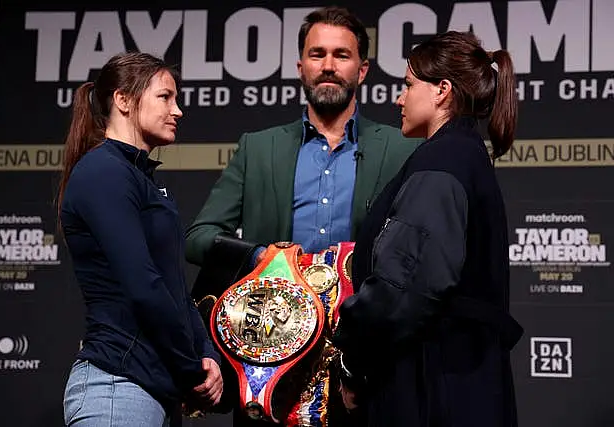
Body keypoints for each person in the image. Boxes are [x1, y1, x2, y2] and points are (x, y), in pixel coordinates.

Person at [184, 6, 418, 426]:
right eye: (317, 54)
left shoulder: (400, 149)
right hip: (270, 359)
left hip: (362, 362)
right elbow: (199, 236)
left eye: (341, 55)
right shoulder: (259, 148)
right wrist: (260, 257)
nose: (328, 66)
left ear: (362, 71)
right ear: (300, 67)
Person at [333, 31, 524, 426]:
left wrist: (352, 358)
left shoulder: (443, 161)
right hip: (456, 383)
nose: (398, 98)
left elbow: (404, 285)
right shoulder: (462, 155)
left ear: (442, 91)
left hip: (431, 389)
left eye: (406, 85)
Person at [57, 52, 223, 427]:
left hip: (154, 392)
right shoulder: (103, 171)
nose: (177, 110)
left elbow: (174, 288)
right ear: (124, 101)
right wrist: (192, 368)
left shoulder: (141, 179)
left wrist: (206, 352)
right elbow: (143, 285)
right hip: (117, 388)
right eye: (165, 97)